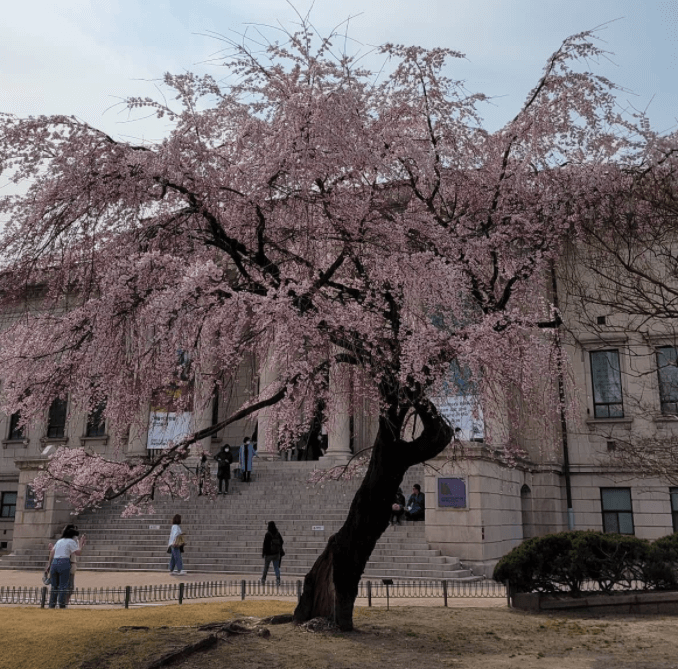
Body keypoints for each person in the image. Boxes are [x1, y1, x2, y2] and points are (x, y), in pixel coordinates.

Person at [44, 526, 84, 608]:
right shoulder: (71, 541)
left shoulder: (59, 541)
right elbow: (78, 553)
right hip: (64, 562)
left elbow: (52, 552)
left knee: (54, 586)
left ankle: (52, 605)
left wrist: (49, 565)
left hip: (55, 562)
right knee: (63, 585)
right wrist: (81, 544)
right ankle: (62, 605)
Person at [261, 520, 284, 585]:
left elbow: (265, 544)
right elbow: (282, 541)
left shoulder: (268, 534)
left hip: (268, 554)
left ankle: (263, 579)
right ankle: (278, 579)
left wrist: (263, 553)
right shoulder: (277, 533)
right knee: (276, 567)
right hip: (276, 554)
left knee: (266, 567)